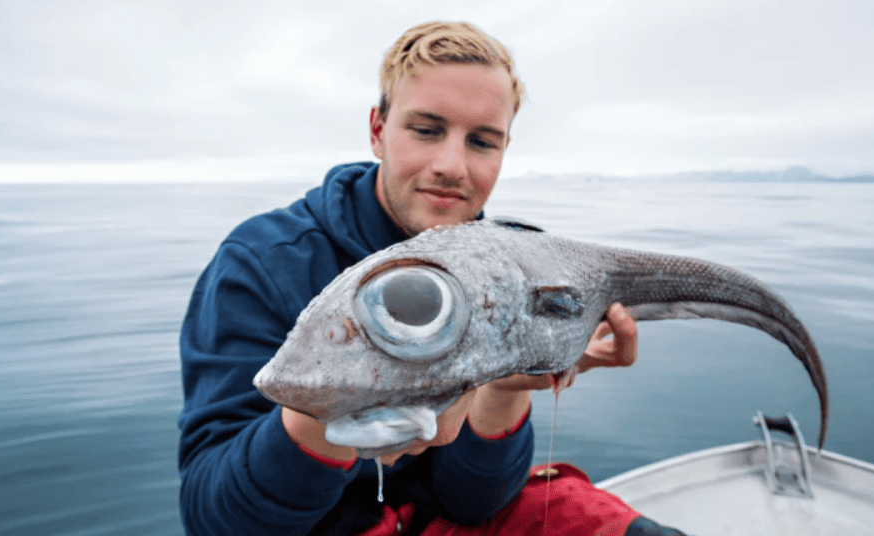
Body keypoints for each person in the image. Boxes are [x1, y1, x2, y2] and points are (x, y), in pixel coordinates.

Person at [178, 21, 686, 536]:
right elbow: (216, 521)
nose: (452, 166)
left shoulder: (512, 276)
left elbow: (474, 504)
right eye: (426, 130)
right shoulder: (264, 261)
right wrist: (327, 410)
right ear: (378, 130)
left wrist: (506, 386)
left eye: (483, 142)